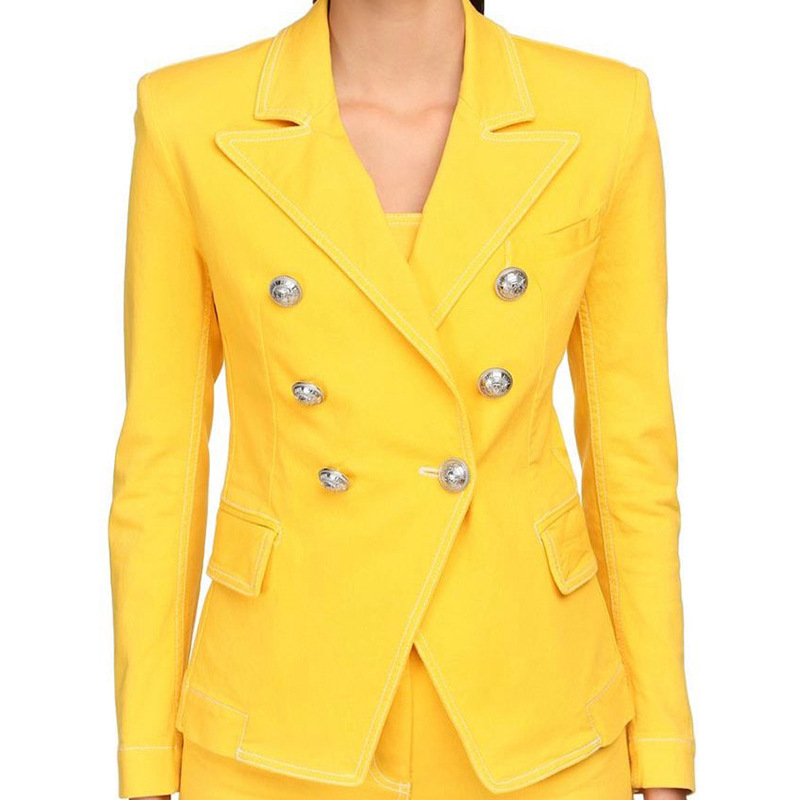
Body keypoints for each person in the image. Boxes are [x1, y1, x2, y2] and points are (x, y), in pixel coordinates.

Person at [107, 0, 696, 798]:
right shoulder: (189, 117)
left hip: (536, 716)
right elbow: (161, 464)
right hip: (281, 715)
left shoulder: (601, 112)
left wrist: (662, 748)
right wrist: (145, 761)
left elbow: (632, 459)